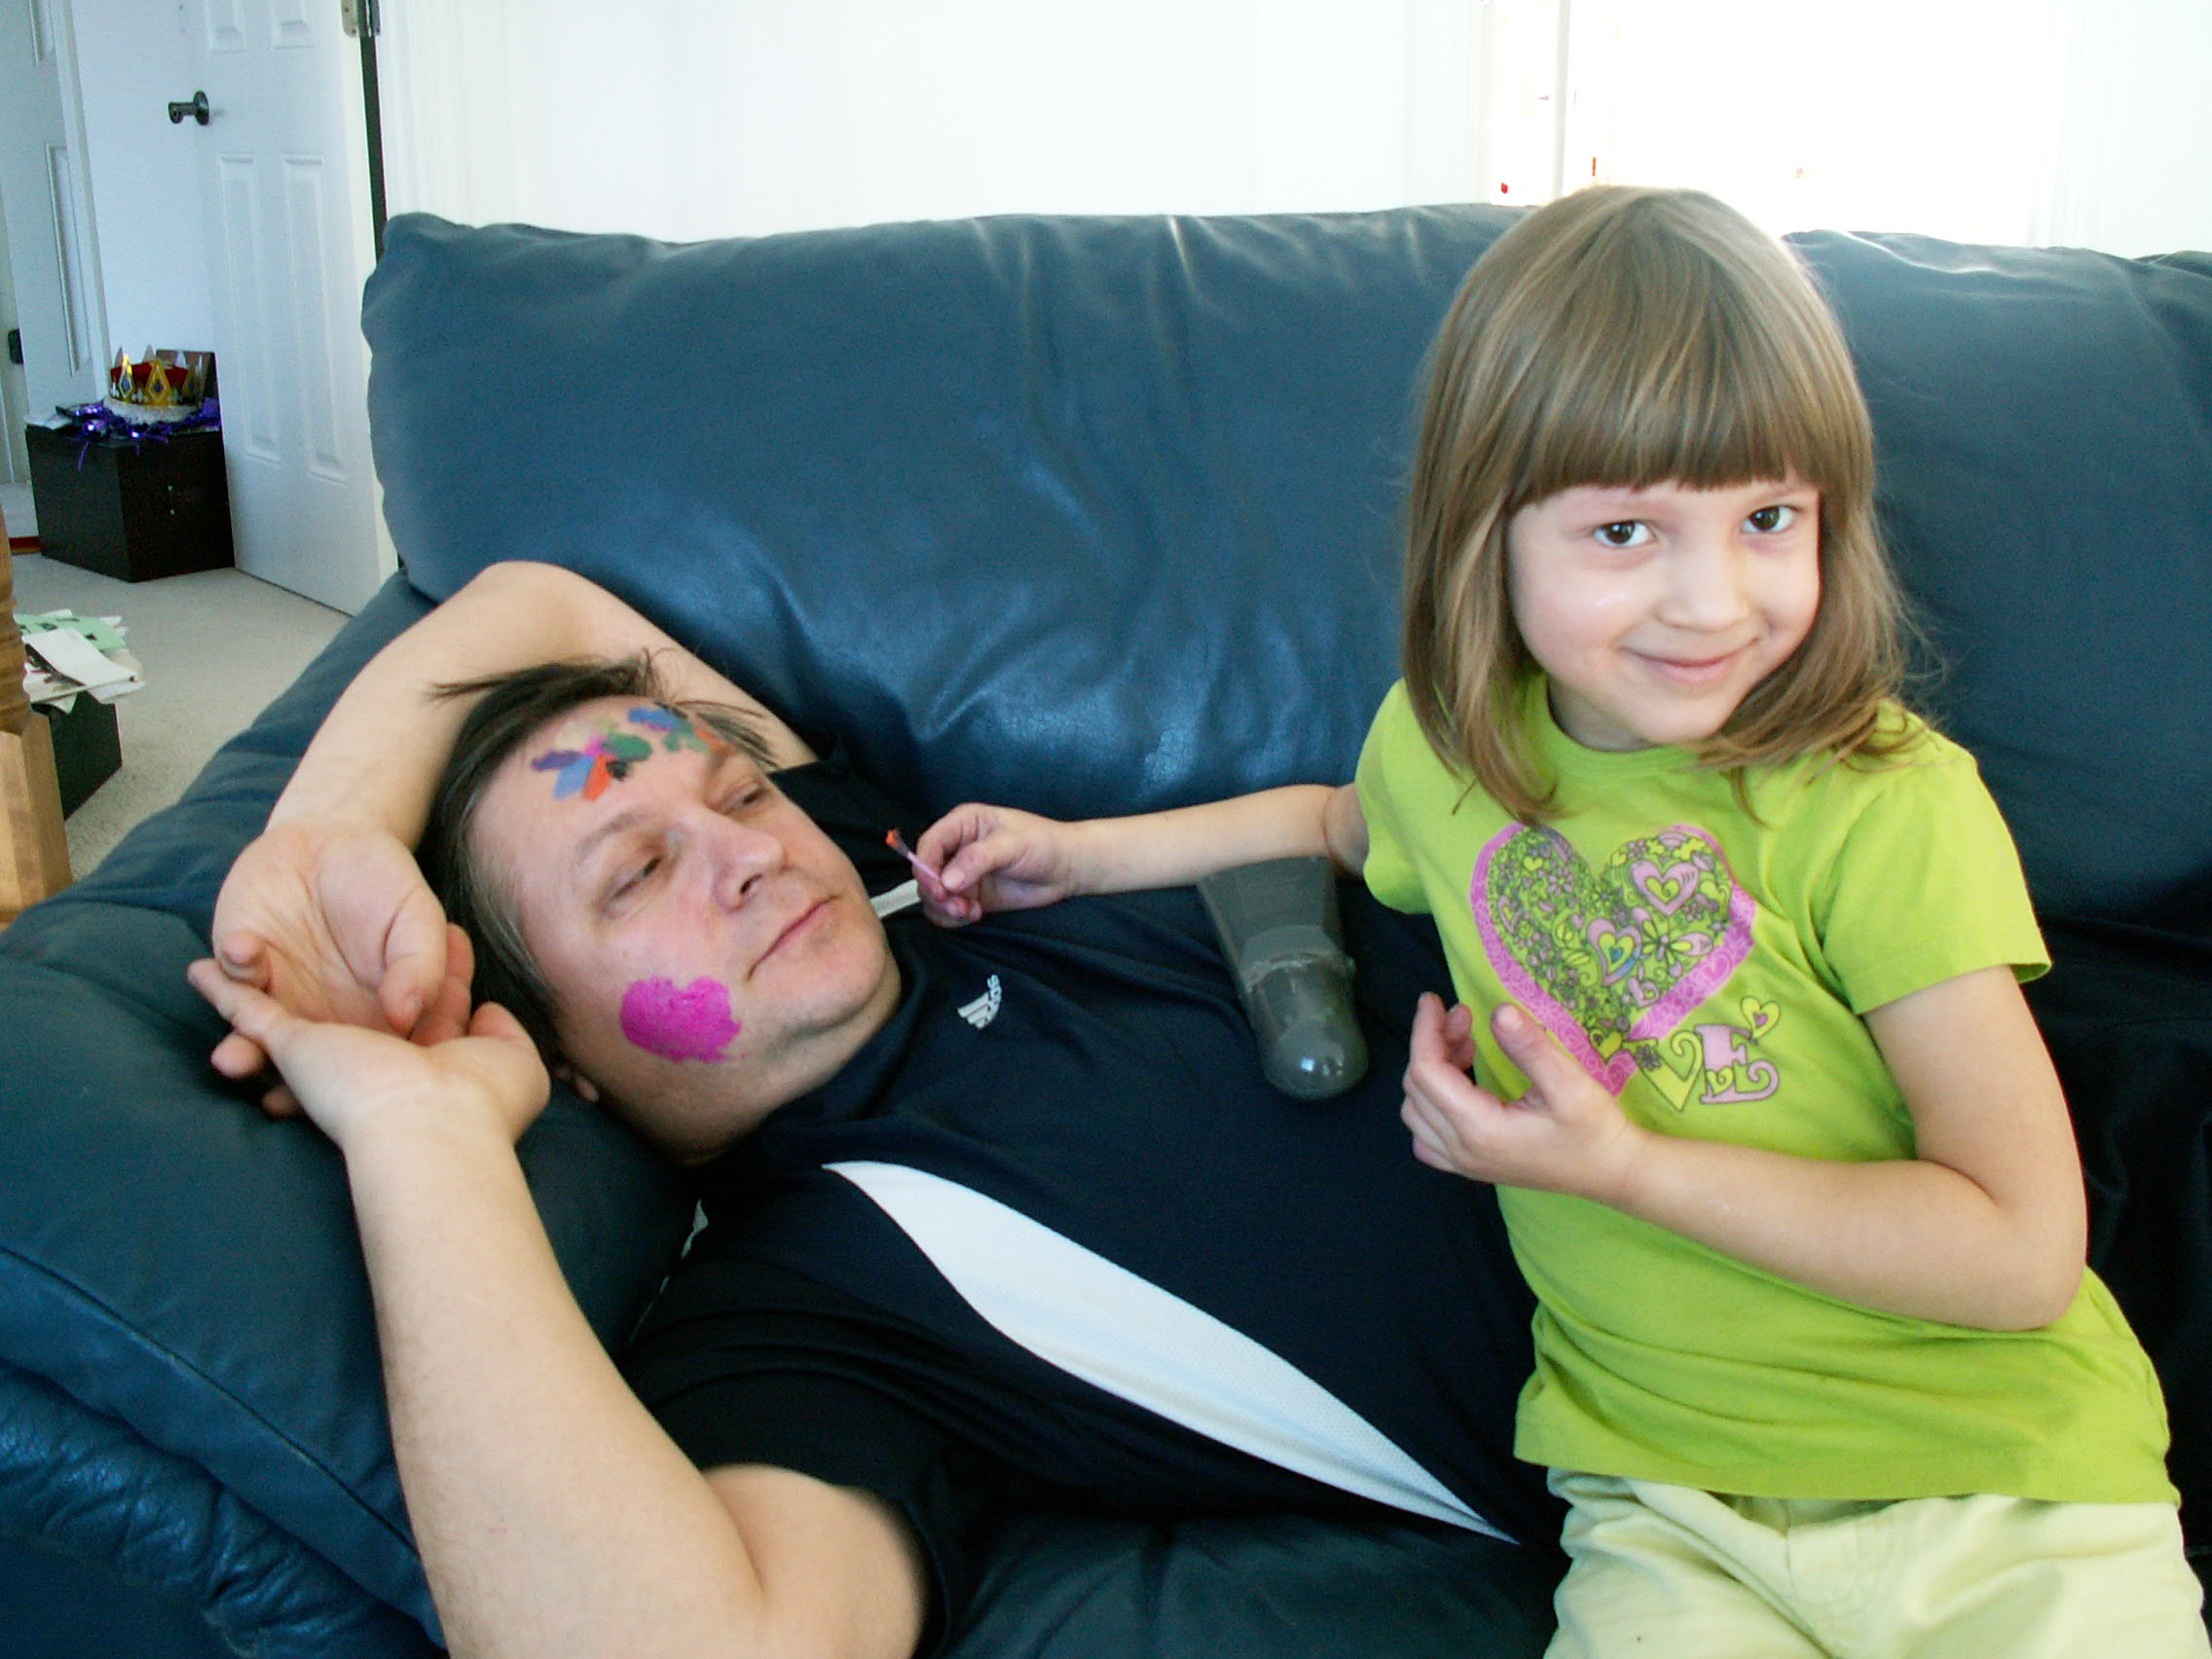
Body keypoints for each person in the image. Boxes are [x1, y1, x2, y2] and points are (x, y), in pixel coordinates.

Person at [903, 186, 2209, 1657]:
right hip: (1666, 1502)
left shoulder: (1884, 806)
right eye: (1626, 531)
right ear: (1490, 535)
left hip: (1998, 1485)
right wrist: (1081, 855)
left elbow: (2020, 1253)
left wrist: (1626, 1169)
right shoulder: (1445, 755)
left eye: (1768, 519)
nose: (1713, 601)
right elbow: (1333, 822)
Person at [192, 563, 1560, 1659]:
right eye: (636, 874)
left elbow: (532, 602)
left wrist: (318, 833)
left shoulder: (897, 878)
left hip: (1652, 970)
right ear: (557, 1050)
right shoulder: (806, 1311)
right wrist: (420, 1141)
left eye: (740, 790)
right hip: (1665, 1363)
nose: (748, 852)